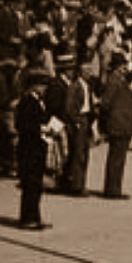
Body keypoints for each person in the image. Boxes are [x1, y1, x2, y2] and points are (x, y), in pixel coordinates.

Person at [12, 52, 53, 229]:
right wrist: (41, 128)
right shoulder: (27, 102)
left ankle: (35, 216)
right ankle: (28, 218)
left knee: (36, 185)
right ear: (34, 86)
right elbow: (23, 125)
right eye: (42, 85)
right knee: (30, 185)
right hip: (29, 149)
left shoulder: (37, 101)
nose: (45, 88)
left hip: (37, 148)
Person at [45, 56, 93, 196]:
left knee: (75, 154)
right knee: (70, 154)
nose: (71, 72)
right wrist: (71, 121)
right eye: (69, 69)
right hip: (63, 123)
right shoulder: (58, 84)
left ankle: (71, 182)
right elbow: (56, 106)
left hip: (74, 122)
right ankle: (71, 184)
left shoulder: (74, 84)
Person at [99, 52, 132, 199]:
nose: (125, 68)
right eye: (122, 65)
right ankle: (112, 189)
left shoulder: (120, 79)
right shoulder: (114, 80)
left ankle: (115, 187)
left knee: (119, 158)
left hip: (123, 123)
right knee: (116, 158)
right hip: (118, 123)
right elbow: (106, 102)